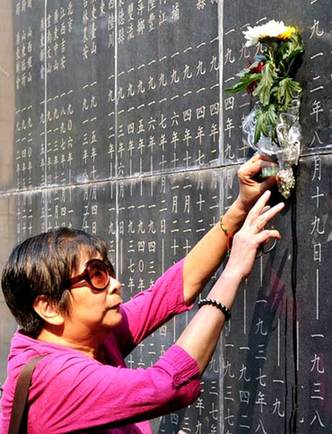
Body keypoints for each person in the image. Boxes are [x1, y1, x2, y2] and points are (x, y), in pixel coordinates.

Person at [0, 155, 284, 433]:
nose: (115, 284)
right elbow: (168, 385)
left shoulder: (90, 336)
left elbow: (166, 293)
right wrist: (232, 271)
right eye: (97, 274)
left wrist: (239, 209)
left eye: (108, 270)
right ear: (48, 307)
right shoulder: (54, 379)